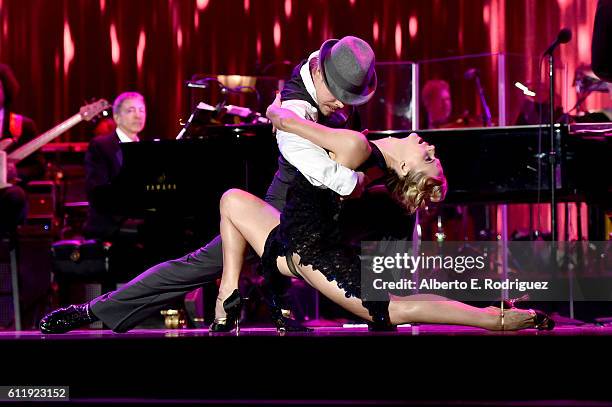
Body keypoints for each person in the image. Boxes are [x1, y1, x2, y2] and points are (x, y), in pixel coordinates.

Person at [39, 36, 381, 334]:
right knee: (197, 265)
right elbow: (334, 177)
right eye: (336, 95)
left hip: (316, 205)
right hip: (284, 212)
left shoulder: (325, 67)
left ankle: (384, 305)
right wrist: (361, 174)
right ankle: (92, 310)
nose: (341, 104)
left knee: (385, 213)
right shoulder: (294, 108)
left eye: (348, 97)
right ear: (320, 72)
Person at [211, 101, 555, 332]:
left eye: (429, 159)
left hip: (310, 257)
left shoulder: (358, 148)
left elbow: (286, 121)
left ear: (404, 167)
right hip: (287, 238)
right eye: (432, 156)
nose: (432, 149)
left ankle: (494, 320)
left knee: (394, 310)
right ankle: (228, 294)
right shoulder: (365, 154)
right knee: (231, 199)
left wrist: (276, 104)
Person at [82, 92, 145, 239]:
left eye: (141, 110)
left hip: (139, 218)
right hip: (111, 222)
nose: (138, 115)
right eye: (131, 110)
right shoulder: (101, 146)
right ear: (116, 117)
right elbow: (97, 192)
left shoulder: (147, 148)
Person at [0, 63, 42, 236]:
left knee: (15, 196)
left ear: (6, 89)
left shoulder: (23, 125)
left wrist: (15, 172)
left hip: (4, 194)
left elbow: (39, 167)